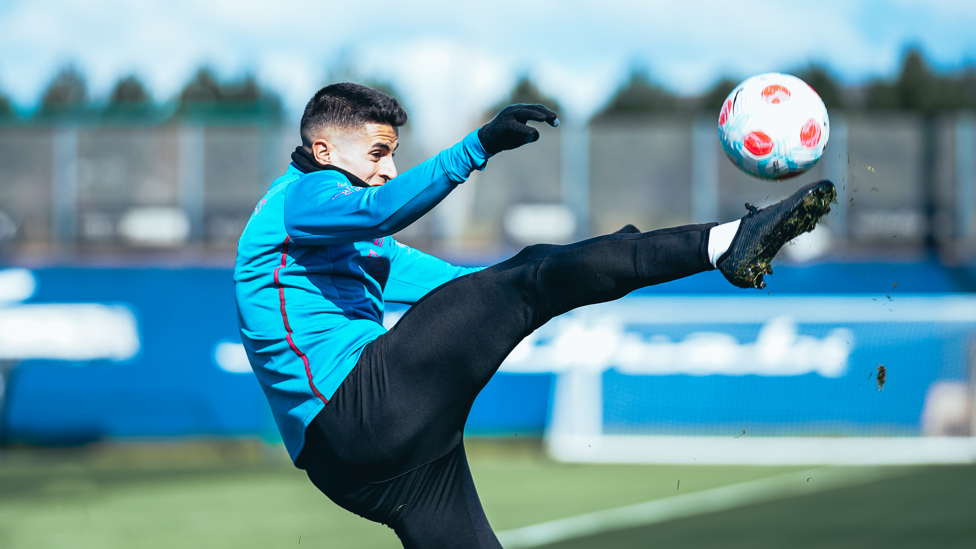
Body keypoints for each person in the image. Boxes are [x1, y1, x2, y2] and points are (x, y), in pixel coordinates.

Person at [234, 82, 836, 548]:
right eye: (377, 153)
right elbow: (382, 211)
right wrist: (476, 149)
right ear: (322, 151)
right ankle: (725, 244)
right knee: (533, 274)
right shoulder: (300, 198)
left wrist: (592, 264)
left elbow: (472, 288)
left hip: (358, 463)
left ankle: (701, 247)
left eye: (393, 154)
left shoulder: (345, 236)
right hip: (362, 409)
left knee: (532, 274)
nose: (389, 167)